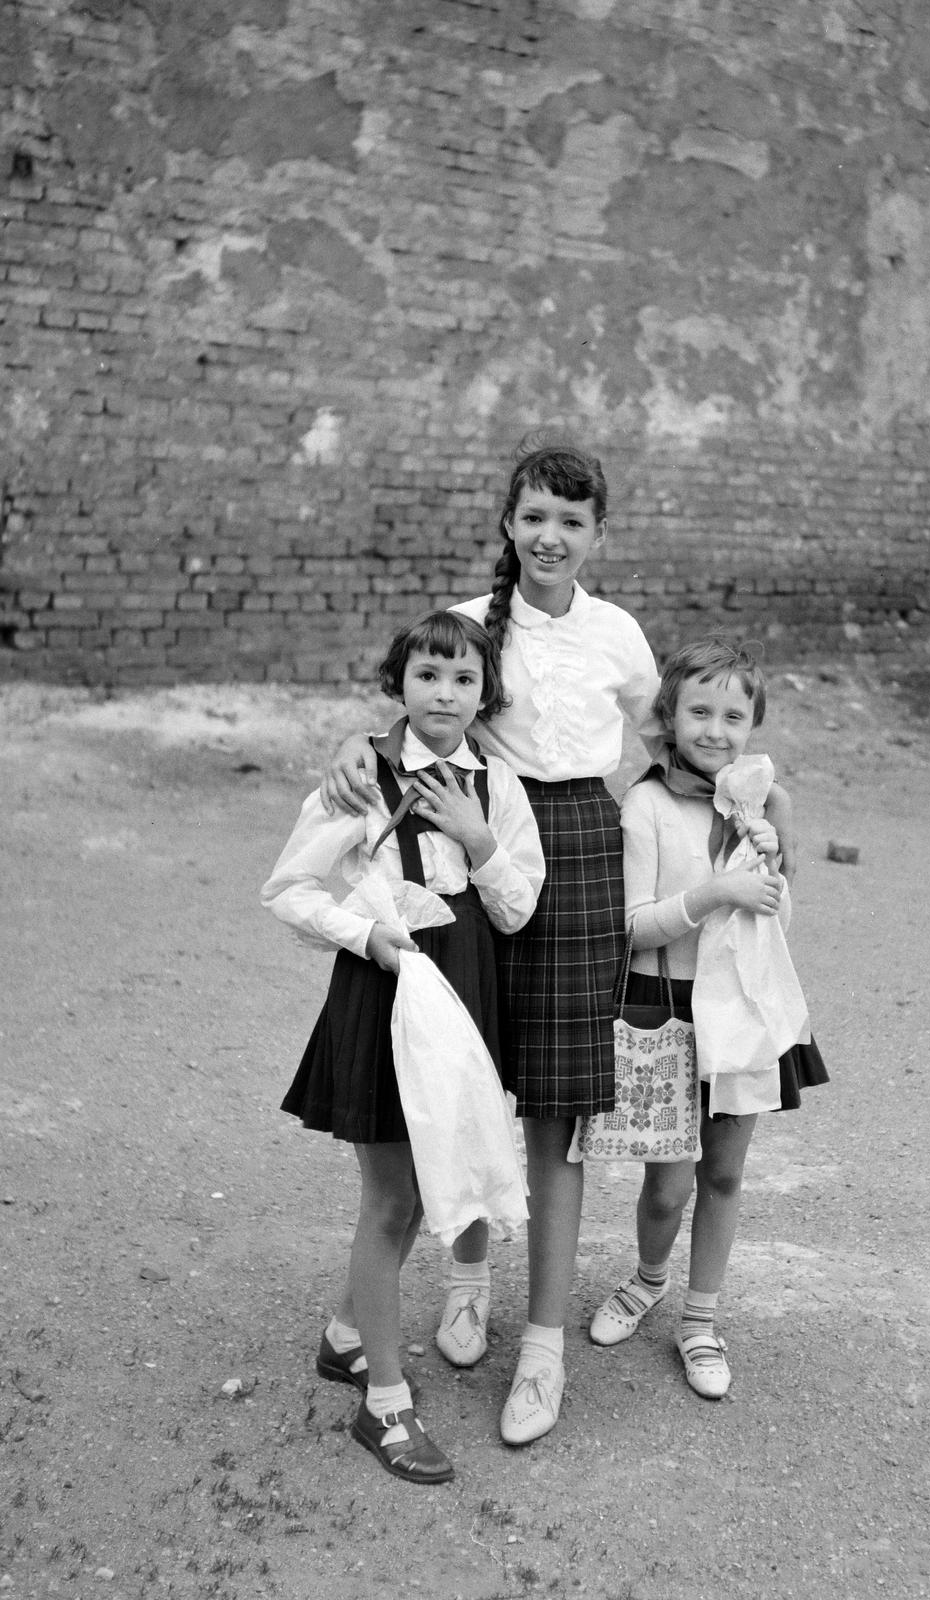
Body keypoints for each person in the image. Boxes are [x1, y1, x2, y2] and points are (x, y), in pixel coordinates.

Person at [318, 439, 666, 1446]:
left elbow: (656, 746)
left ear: (597, 533)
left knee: (555, 1111)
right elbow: (415, 718)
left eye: (571, 520)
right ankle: (465, 1281)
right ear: (508, 523)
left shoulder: (618, 637)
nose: (550, 536)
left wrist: (735, 799)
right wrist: (358, 744)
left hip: (583, 863)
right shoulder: (471, 624)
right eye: (534, 517)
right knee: (459, 1083)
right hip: (470, 860)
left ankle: (544, 1345)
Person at [261, 610, 545, 1483]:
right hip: (386, 993)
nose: (445, 694)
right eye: (428, 675)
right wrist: (368, 938)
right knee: (391, 1200)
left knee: (428, 1186)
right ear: (401, 683)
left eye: (463, 680)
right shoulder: (364, 780)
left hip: (465, 1000)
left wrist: (478, 839)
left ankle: (347, 1335)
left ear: (485, 694)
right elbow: (291, 888)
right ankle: (383, 1406)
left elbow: (518, 906)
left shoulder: (496, 783)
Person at [588, 639, 827, 1399]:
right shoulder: (646, 804)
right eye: (699, 710)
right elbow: (630, 926)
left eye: (734, 714)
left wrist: (771, 862)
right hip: (670, 1006)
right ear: (670, 714)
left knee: (724, 1174)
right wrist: (716, 892)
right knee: (669, 1184)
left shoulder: (758, 803)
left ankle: (700, 1320)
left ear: (753, 724)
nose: (715, 729)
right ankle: (648, 1278)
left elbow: (777, 918)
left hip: (744, 1011)